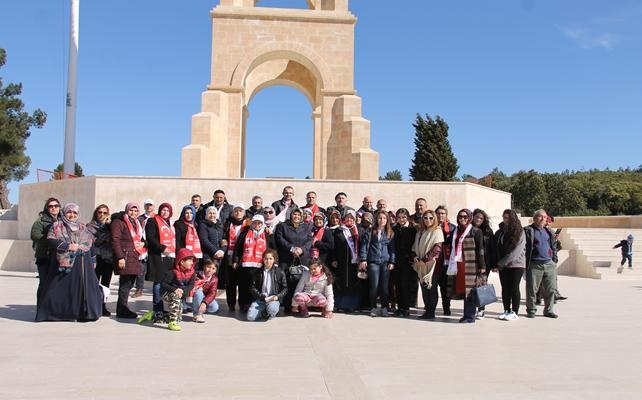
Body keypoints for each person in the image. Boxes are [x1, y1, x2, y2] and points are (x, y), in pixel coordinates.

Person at [36, 203, 103, 322]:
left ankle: (82, 313)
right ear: (64, 213)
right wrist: (68, 246)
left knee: (82, 289)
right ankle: (55, 313)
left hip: (82, 263)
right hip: (63, 263)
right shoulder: (57, 226)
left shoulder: (83, 227)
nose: (72, 215)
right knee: (57, 288)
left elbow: (90, 244)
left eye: (75, 213)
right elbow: (51, 241)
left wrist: (93, 260)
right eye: (69, 212)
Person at [445, 209, 486, 323]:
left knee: (471, 291)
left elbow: (480, 249)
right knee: (464, 290)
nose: (462, 219)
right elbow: (447, 242)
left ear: (470, 218)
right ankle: (466, 314)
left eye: (465, 217)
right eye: (460, 217)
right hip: (458, 265)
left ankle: (470, 316)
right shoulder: (455, 231)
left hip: (471, 265)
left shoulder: (475, 231)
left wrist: (482, 266)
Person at [138, 202, 175, 323]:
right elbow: (151, 238)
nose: (165, 212)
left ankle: (165, 309)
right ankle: (157, 309)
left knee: (166, 283)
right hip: (158, 256)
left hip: (169, 257)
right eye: (163, 210)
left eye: (167, 211)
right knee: (158, 283)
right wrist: (162, 248)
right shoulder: (153, 221)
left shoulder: (170, 223)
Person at [111, 202, 146, 319]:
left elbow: (140, 238)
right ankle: (122, 310)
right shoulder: (119, 222)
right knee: (125, 284)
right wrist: (120, 257)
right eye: (131, 210)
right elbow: (115, 240)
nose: (133, 213)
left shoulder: (137, 223)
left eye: (136, 211)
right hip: (125, 257)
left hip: (135, 256)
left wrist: (144, 243)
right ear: (127, 210)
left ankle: (122, 308)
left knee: (130, 283)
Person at [275, 207, 312, 312]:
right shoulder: (282, 226)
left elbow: (310, 240)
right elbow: (280, 238)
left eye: (299, 215)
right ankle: (288, 305)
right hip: (287, 259)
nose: (296, 217)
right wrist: (292, 249)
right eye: (294, 214)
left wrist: (302, 249)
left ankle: (300, 306)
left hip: (302, 258)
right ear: (290, 215)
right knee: (286, 282)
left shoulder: (306, 227)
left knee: (301, 282)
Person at [360, 210, 396, 317]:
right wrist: (363, 259)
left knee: (384, 287)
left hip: (385, 263)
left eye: (384, 218)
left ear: (387, 220)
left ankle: (385, 307)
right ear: (376, 219)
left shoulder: (390, 233)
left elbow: (392, 249)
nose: (382, 220)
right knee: (374, 286)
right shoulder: (370, 231)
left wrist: (392, 261)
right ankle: (373, 307)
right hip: (373, 262)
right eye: (380, 218)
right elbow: (364, 246)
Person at [524, 209, 559, 319]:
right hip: (534, 264)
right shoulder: (527, 230)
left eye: (544, 217)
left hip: (549, 263)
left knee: (551, 289)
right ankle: (531, 310)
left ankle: (549, 310)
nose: (543, 218)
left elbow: (553, 246)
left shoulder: (548, 231)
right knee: (532, 289)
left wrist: (554, 259)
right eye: (540, 216)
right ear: (534, 218)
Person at [494, 209, 526, 321]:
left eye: (507, 217)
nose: (505, 220)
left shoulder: (520, 232)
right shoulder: (501, 232)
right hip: (503, 265)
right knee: (505, 288)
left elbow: (516, 252)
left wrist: (501, 263)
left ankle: (515, 311)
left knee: (514, 287)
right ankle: (506, 310)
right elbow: (497, 248)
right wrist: (497, 263)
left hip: (516, 265)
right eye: (504, 217)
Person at [412, 210, 444, 320]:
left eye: (431, 218)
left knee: (432, 288)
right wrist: (415, 257)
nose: (428, 220)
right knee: (424, 288)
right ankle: (427, 311)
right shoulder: (420, 232)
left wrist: (425, 260)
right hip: (420, 264)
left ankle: (431, 312)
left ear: (434, 219)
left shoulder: (437, 231)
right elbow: (415, 247)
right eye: (425, 218)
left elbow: (437, 248)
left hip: (432, 265)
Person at [233, 214, 269, 312]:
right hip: (246, 265)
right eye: (255, 222)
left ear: (263, 224)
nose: (257, 224)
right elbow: (237, 248)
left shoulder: (267, 234)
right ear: (252, 223)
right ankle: (244, 304)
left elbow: (272, 249)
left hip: (261, 265)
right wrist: (236, 260)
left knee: (258, 286)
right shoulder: (244, 233)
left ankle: (257, 304)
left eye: (259, 223)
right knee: (244, 285)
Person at [31, 197, 61, 305]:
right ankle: (41, 307)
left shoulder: (63, 220)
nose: (53, 208)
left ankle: (54, 307)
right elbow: (35, 235)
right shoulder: (40, 221)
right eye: (51, 206)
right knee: (44, 283)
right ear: (47, 208)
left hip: (60, 257)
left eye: (56, 206)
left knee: (57, 284)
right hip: (44, 256)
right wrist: (50, 239)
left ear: (59, 207)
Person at [331, 210, 362, 312]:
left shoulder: (358, 230)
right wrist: (334, 258)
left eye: (351, 218)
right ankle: (341, 305)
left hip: (355, 262)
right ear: (344, 219)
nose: (349, 220)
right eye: (347, 217)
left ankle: (352, 305)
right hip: (341, 260)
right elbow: (334, 246)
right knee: (342, 282)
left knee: (354, 283)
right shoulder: (339, 231)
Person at [86, 204, 114, 316]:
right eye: (100, 212)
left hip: (108, 258)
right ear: (96, 213)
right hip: (96, 258)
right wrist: (104, 228)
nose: (102, 215)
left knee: (105, 284)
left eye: (105, 213)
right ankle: (93, 305)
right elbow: (94, 242)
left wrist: (108, 226)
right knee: (94, 283)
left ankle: (103, 306)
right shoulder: (90, 226)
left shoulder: (111, 226)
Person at [160, 248, 197, 331]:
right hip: (167, 293)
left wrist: (183, 291)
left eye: (192, 260)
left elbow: (191, 285)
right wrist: (175, 289)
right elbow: (163, 284)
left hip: (180, 293)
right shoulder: (172, 272)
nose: (192, 262)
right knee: (176, 297)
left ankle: (155, 316)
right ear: (182, 262)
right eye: (190, 260)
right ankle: (172, 323)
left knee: (179, 317)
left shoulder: (192, 272)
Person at [247, 249, 288, 321]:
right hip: (261, 299)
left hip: (273, 299)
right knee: (250, 317)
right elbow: (252, 287)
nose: (268, 261)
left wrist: (277, 297)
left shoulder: (279, 271)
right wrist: (261, 297)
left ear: (274, 260)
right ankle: (264, 311)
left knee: (272, 311)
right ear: (263, 259)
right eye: (266, 258)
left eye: (270, 259)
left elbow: (285, 288)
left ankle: (269, 311)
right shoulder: (258, 272)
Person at [471, 208, 497, 319]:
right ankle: (471, 308)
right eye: (477, 217)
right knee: (471, 286)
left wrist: (494, 264)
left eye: (481, 218)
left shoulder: (487, 231)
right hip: (471, 262)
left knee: (482, 285)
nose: (478, 219)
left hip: (485, 263)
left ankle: (481, 309)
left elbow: (493, 248)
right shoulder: (469, 229)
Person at [222, 203, 248, 312]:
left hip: (243, 256)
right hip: (229, 255)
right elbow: (223, 235)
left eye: (240, 211)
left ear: (244, 213)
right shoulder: (228, 223)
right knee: (230, 282)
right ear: (233, 212)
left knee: (242, 282)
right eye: (236, 211)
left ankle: (242, 304)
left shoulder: (248, 224)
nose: (238, 213)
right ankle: (231, 304)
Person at [392, 208, 417, 317]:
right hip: (397, 260)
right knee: (397, 284)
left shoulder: (413, 229)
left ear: (407, 217)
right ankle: (400, 307)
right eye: (399, 217)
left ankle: (406, 308)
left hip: (408, 260)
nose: (401, 220)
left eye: (403, 217)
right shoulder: (394, 229)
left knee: (405, 284)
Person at [435, 205, 455, 316]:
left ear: (446, 215)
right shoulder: (431, 226)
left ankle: (446, 308)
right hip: (434, 261)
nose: (440, 215)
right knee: (432, 287)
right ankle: (430, 307)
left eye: (443, 213)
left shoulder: (452, 228)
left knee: (445, 287)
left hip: (446, 262)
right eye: (438, 213)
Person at [132, 198, 154, 298]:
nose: (149, 207)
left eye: (150, 205)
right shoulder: (140, 219)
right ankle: (139, 289)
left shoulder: (156, 218)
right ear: (144, 207)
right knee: (141, 268)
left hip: (153, 245)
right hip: (142, 245)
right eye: (147, 205)